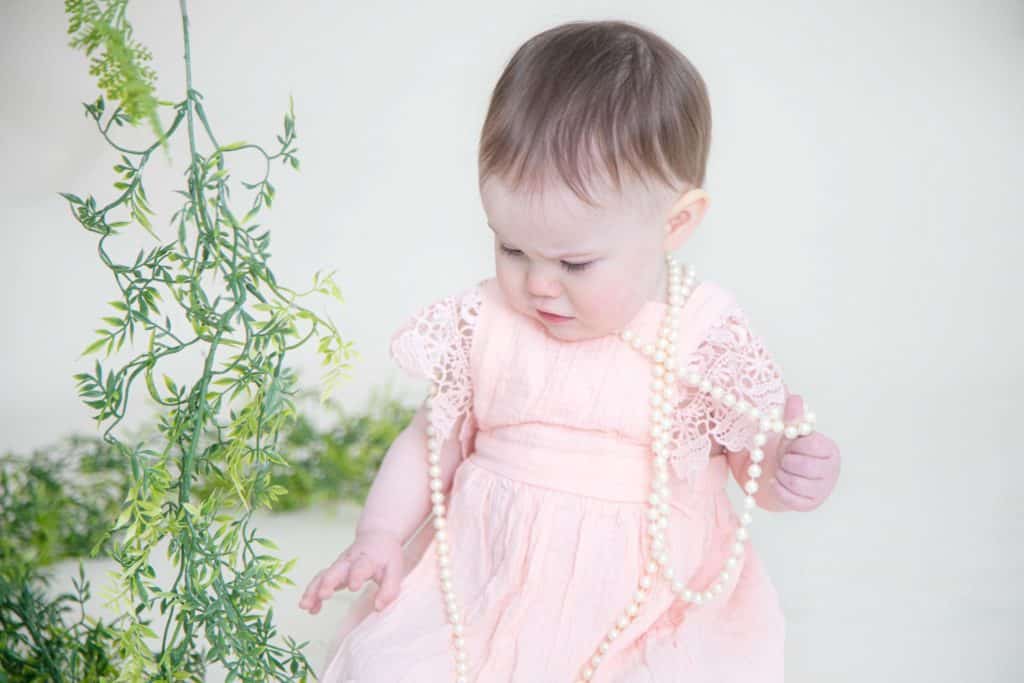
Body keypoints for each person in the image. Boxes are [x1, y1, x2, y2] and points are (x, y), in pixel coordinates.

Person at [300, 19, 841, 682]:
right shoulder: (488, 322)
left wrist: (786, 464)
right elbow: (428, 439)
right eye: (511, 248)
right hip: (483, 586)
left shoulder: (700, 334)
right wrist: (380, 533)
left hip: (645, 608)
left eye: (575, 261)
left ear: (676, 223)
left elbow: (746, 458)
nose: (538, 283)